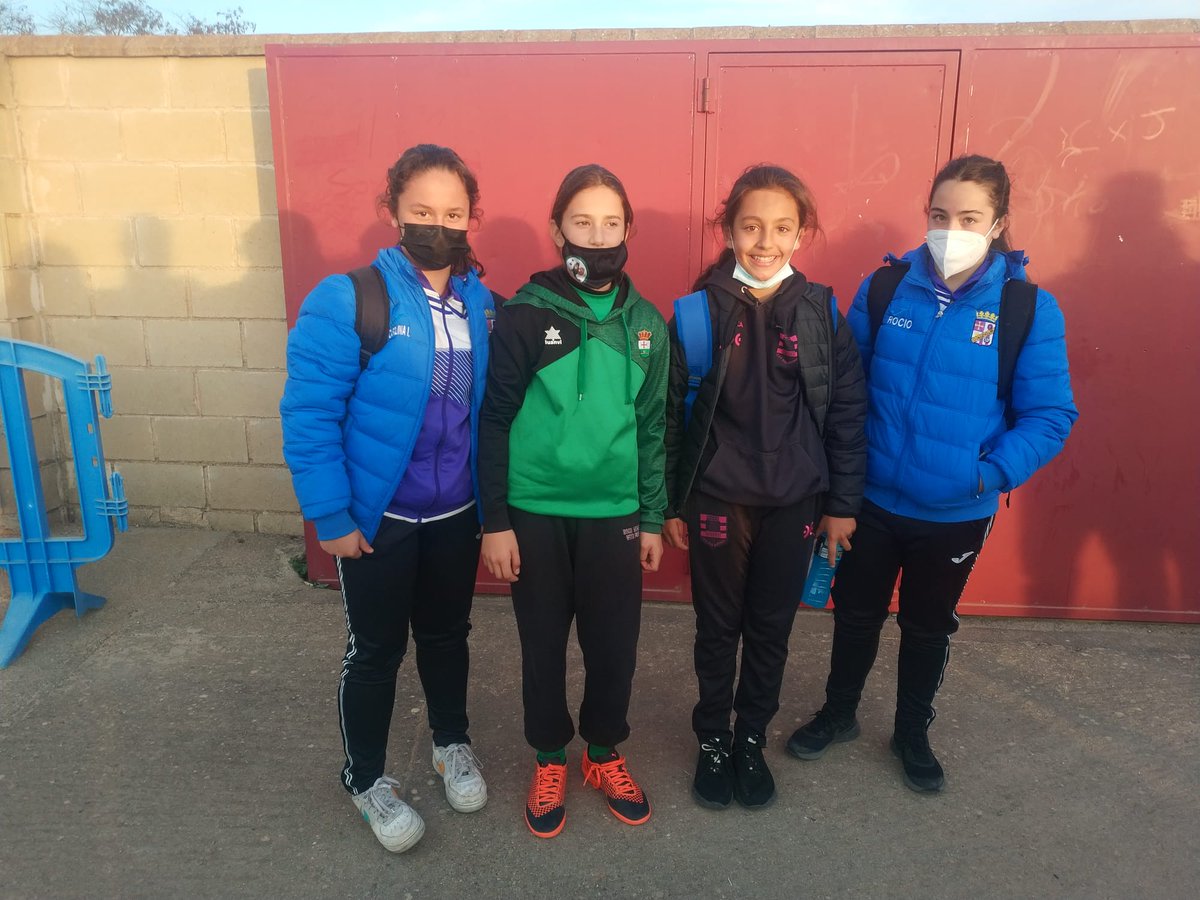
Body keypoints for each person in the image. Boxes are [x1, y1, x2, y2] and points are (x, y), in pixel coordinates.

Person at [786, 154, 1078, 793]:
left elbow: (1051, 415)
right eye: (940, 215)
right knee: (855, 614)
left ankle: (912, 731)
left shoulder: (1027, 308)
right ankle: (838, 715)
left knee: (926, 626)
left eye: (970, 217)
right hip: (870, 499)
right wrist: (838, 477)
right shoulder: (886, 288)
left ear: (997, 221)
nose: (952, 228)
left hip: (954, 511)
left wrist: (988, 474)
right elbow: (844, 386)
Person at [280, 144, 494, 853]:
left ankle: (450, 743)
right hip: (381, 520)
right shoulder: (349, 298)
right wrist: (332, 516)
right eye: (423, 211)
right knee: (374, 651)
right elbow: (309, 415)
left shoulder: (481, 302)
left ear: (472, 218)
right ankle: (365, 778)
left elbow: (489, 410)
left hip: (456, 513)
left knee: (446, 636)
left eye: (454, 213)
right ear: (393, 213)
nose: (439, 224)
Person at [661, 164, 868, 810]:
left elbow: (846, 412)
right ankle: (713, 741)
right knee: (718, 628)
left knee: (771, 629)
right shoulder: (697, 314)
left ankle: (751, 737)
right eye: (751, 226)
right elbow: (668, 415)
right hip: (718, 499)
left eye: (782, 228)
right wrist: (670, 503)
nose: (765, 241)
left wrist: (842, 506)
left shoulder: (820, 311)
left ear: (801, 233)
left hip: (795, 503)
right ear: (728, 228)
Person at [478, 164, 667, 839]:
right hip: (535, 512)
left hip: (613, 514)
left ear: (627, 229)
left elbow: (652, 428)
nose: (598, 235)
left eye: (611, 223)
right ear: (557, 228)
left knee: (615, 646)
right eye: (582, 222)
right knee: (543, 647)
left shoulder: (648, 325)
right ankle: (551, 756)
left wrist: (650, 515)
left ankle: (604, 752)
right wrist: (494, 522)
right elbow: (494, 419)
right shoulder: (527, 314)